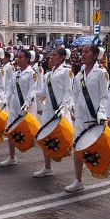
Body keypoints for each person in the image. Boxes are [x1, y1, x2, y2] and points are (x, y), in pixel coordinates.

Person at [65, 45, 109, 192]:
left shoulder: (101, 73)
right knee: (77, 146)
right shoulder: (79, 75)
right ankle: (78, 180)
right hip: (81, 117)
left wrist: (101, 112)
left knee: (99, 147)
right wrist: (73, 107)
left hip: (95, 117)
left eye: (87, 52)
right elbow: (75, 94)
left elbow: (104, 96)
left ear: (95, 55)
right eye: (82, 52)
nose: (83, 54)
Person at [33, 47, 74, 178]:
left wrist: (63, 108)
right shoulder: (48, 74)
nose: (51, 57)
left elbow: (68, 92)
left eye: (54, 55)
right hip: (48, 111)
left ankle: (82, 163)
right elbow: (44, 92)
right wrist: (32, 94)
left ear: (62, 57)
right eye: (50, 55)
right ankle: (47, 167)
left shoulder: (66, 72)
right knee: (44, 137)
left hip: (61, 111)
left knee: (69, 143)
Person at [0, 50, 37, 166]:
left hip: (27, 107)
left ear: (27, 59)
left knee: (31, 133)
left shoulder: (32, 73)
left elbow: (32, 91)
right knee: (10, 129)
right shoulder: (16, 74)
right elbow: (10, 89)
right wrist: (5, 100)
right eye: (17, 57)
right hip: (14, 106)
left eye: (21, 57)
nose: (18, 59)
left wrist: (26, 104)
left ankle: (47, 155)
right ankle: (12, 157)